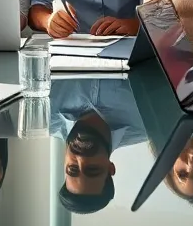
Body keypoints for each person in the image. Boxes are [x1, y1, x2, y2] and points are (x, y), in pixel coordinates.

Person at [51, 78, 148, 214]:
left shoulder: (43, 114)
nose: (81, 159)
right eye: (92, 169)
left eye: (72, 169)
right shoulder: (147, 119)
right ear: (110, 168)